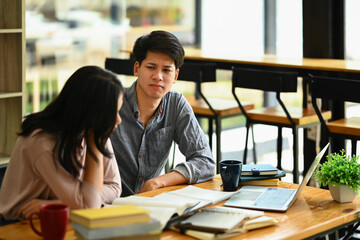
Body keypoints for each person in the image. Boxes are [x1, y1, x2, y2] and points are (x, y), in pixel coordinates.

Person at [0, 66, 123, 225]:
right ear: (90, 112)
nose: (118, 120)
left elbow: (114, 188)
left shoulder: (94, 130)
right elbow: (89, 208)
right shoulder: (42, 141)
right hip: (20, 223)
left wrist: (55, 205)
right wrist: (79, 203)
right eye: (112, 113)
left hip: (58, 214)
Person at [110, 30, 215, 197]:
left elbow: (205, 162)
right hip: (109, 205)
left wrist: (158, 182)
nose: (158, 76)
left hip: (151, 203)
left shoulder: (176, 104)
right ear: (137, 68)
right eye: (151, 67)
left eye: (166, 70)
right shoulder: (112, 103)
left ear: (175, 76)